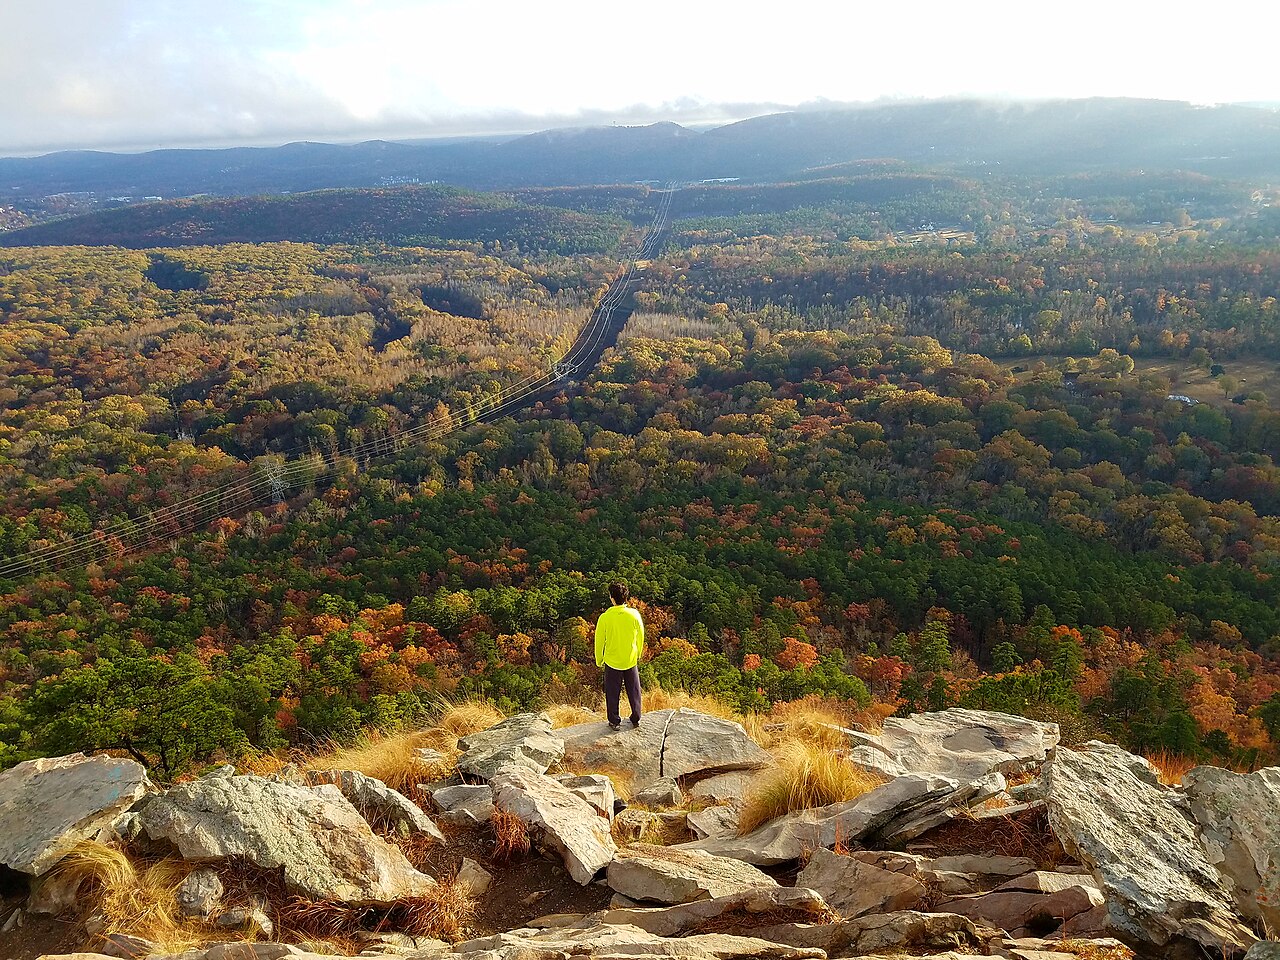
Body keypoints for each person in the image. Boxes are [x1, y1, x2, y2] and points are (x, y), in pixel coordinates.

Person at [595, 580, 645, 730]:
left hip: (612, 661)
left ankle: (614, 721)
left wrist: (599, 659)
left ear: (611, 597)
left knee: (612, 692)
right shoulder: (634, 614)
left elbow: (599, 641)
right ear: (626, 597)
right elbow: (641, 636)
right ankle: (636, 717)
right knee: (634, 690)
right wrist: (638, 654)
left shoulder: (605, 618)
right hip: (630, 658)